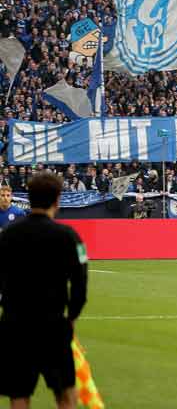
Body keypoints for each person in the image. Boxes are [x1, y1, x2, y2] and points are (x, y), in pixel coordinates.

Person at [0, 172, 88, 409]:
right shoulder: (69, 238)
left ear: (28, 198)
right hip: (52, 325)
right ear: (58, 199)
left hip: (14, 325)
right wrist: (71, 317)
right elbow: (80, 284)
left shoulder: (7, 236)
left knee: (18, 395)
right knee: (65, 393)